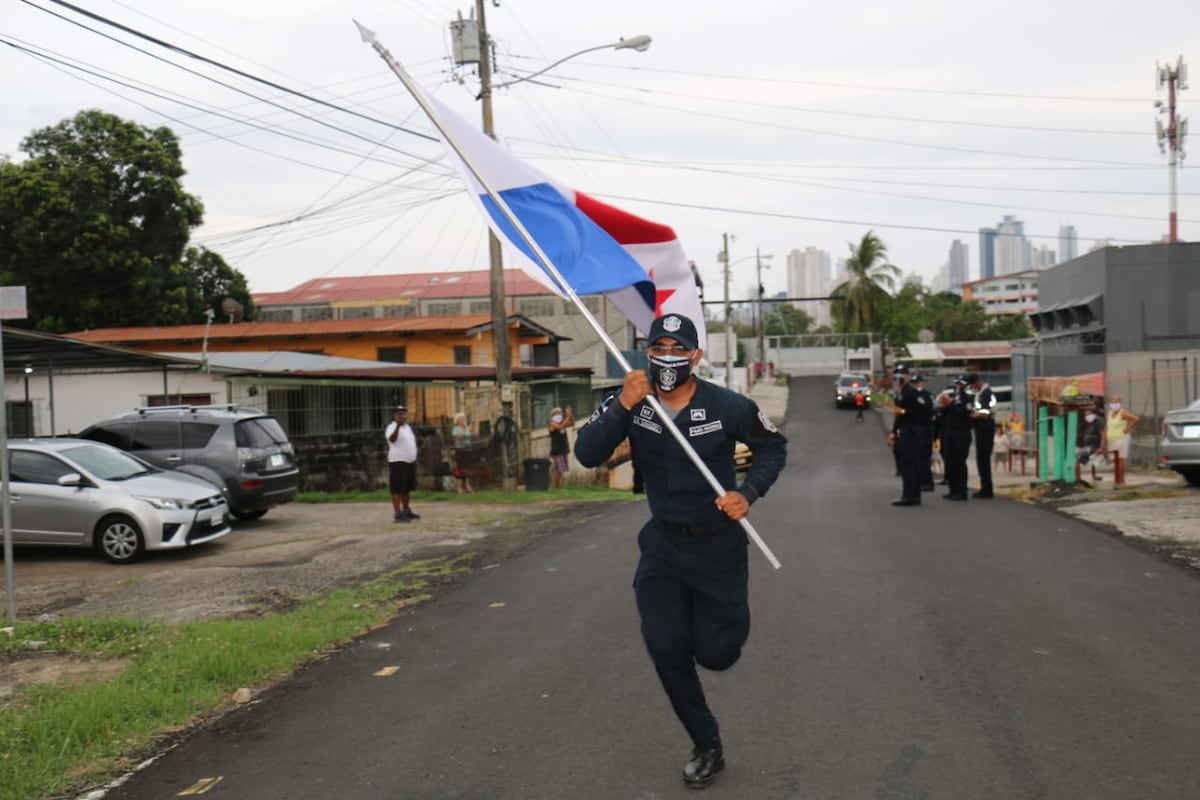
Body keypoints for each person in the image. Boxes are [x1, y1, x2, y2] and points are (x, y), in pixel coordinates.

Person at [574, 313, 787, 789]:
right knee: (666, 647)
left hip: (719, 548)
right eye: (658, 347)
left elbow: (773, 449)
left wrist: (747, 493)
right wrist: (621, 407)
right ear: (646, 352)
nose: (667, 357)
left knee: (716, 654)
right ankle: (706, 742)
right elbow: (587, 453)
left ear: (696, 355)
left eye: (678, 349)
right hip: (663, 547)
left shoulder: (728, 405)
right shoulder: (633, 400)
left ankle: (721, 631)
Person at [887, 364, 927, 506]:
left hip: (912, 431)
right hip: (903, 429)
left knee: (909, 463)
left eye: (902, 374)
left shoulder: (911, 391)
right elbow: (898, 415)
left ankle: (910, 495)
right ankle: (911, 494)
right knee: (906, 463)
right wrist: (893, 432)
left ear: (907, 376)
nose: (898, 377)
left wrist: (904, 412)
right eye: (896, 374)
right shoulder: (900, 392)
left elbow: (922, 411)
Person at [938, 376, 973, 501]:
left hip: (961, 433)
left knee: (959, 462)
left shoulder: (967, 399)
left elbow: (964, 414)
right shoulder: (953, 398)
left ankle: (961, 491)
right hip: (950, 432)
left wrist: (951, 404)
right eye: (956, 385)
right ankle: (952, 489)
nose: (957, 387)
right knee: (949, 462)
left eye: (960, 385)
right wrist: (945, 405)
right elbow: (943, 413)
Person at [385, 405, 420, 522]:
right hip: (398, 461)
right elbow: (392, 439)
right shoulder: (392, 427)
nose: (402, 416)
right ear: (395, 416)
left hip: (409, 461)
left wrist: (414, 459)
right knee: (397, 488)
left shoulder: (408, 428)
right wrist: (398, 427)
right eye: (399, 414)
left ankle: (406, 510)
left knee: (407, 488)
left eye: (404, 414)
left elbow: (411, 444)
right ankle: (398, 513)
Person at [966, 372, 997, 498]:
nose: (972, 387)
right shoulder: (982, 393)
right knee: (982, 459)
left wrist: (971, 415)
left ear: (976, 382)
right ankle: (985, 487)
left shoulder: (986, 393)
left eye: (972, 384)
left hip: (986, 428)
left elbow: (985, 414)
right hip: (982, 428)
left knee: (983, 459)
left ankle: (987, 489)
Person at [911, 374, 936, 492]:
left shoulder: (927, 395)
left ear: (922, 383)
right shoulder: (914, 395)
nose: (916, 385)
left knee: (924, 456)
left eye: (918, 383)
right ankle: (920, 480)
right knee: (917, 456)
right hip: (917, 427)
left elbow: (930, 409)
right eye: (914, 383)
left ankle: (927, 482)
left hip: (926, 427)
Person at [1105, 394, 1140, 465]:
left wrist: (1128, 428)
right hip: (1111, 439)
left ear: (1120, 403)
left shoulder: (1123, 413)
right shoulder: (1110, 413)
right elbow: (1108, 426)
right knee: (1114, 460)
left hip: (1121, 438)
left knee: (1120, 459)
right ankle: (1117, 475)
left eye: (1116, 402)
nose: (1114, 404)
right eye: (1112, 402)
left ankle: (1121, 476)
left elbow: (1136, 419)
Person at [548, 405, 575, 489]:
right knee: (559, 470)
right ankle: (557, 487)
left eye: (559, 413)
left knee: (562, 470)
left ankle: (558, 486)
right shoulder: (552, 424)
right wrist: (568, 417)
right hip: (556, 451)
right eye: (557, 413)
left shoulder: (562, 422)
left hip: (563, 449)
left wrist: (571, 416)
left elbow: (571, 423)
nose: (559, 415)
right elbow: (560, 427)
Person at [451, 412, 475, 494]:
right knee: (459, 469)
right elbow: (460, 438)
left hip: (468, 450)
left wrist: (471, 428)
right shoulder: (456, 429)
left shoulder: (466, 428)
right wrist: (465, 430)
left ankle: (468, 486)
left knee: (467, 468)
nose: (464, 420)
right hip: (460, 450)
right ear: (458, 420)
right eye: (462, 419)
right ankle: (459, 487)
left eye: (464, 419)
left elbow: (472, 436)